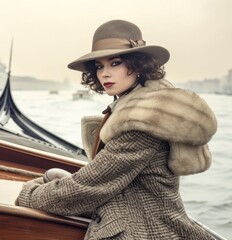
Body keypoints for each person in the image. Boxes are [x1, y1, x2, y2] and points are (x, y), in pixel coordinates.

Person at [15, 20, 217, 239]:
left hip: (146, 230)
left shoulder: (142, 121)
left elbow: (86, 188)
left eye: (115, 63)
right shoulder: (132, 105)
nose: (105, 74)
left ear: (139, 65)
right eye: (99, 66)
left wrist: (29, 193)